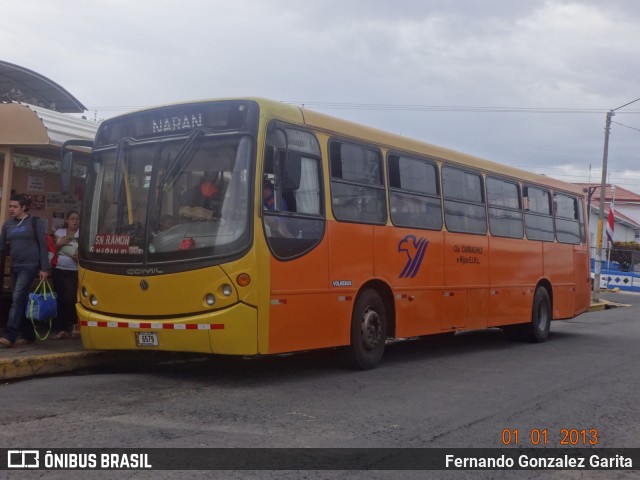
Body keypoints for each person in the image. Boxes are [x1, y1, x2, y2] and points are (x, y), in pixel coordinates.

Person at [0, 194, 50, 347]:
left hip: (30, 265)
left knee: (17, 299)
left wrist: (44, 268)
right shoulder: (7, 224)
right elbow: (2, 247)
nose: (11, 209)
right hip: (15, 265)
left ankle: (10, 335)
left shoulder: (35, 222)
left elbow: (43, 245)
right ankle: (28, 334)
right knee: (20, 300)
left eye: (15, 206)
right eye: (10, 206)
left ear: (23, 207)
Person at [51, 210, 80, 339]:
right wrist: (60, 246)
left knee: (70, 298)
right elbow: (54, 249)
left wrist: (64, 245)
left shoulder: (82, 234)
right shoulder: (59, 233)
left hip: (73, 271)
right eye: (72, 218)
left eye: (77, 219)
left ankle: (74, 325)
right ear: (67, 220)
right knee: (61, 298)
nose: (75, 221)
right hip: (59, 269)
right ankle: (62, 328)